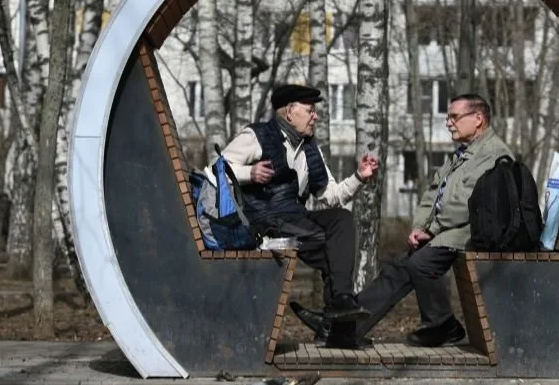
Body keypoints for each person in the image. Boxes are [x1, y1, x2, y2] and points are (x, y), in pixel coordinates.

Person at [291, 93, 513, 348]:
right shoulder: (462, 155)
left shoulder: (492, 155)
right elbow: (431, 194)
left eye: (454, 117)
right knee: (400, 266)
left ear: (478, 119)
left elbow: (467, 204)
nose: (448, 122)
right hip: (448, 231)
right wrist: (420, 226)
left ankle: (442, 325)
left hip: (472, 233)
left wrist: (432, 228)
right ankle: (342, 328)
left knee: (420, 263)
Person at [214, 83, 379, 325]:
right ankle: (337, 320)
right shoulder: (256, 136)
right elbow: (215, 170)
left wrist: (359, 177)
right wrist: (250, 172)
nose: (316, 116)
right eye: (310, 110)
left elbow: (331, 195)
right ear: (290, 112)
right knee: (333, 250)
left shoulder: (311, 148)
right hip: (265, 221)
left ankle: (339, 306)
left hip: (295, 219)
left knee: (341, 219)